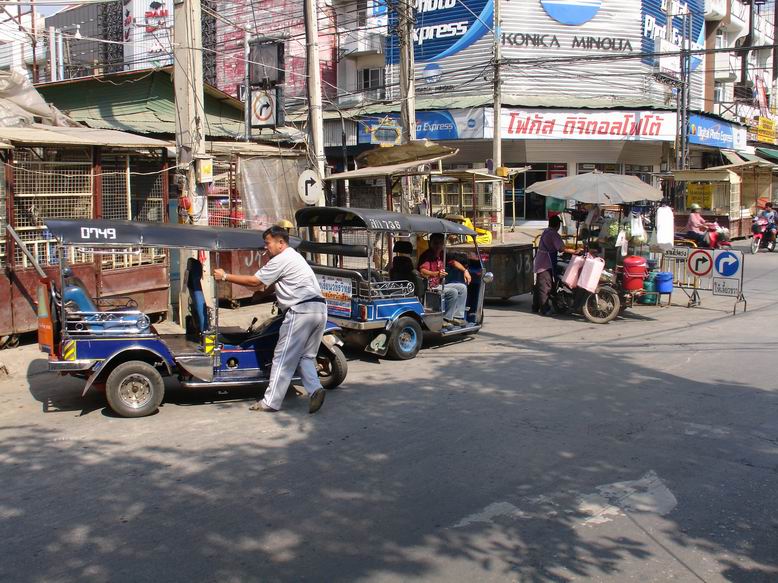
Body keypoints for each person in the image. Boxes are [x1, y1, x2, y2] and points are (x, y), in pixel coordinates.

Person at [213, 225, 327, 414]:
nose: (266, 248)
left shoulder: (281, 259)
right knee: (306, 356)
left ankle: (270, 402)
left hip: (301, 312)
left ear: (281, 243)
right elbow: (276, 284)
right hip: (319, 309)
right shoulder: (294, 257)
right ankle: (315, 390)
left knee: (282, 358)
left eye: (268, 243)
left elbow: (255, 281)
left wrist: (225, 276)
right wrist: (262, 294)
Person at [418, 233, 471, 327]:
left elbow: (454, 262)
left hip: (439, 284)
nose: (438, 246)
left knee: (462, 287)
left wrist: (465, 271)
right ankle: (445, 318)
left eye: (440, 243)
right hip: (430, 286)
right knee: (453, 292)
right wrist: (436, 274)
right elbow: (423, 271)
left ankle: (457, 316)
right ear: (430, 243)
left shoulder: (442, 254)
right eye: (435, 243)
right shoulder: (427, 255)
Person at [532, 215, 565, 315]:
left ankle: (535, 306)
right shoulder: (553, 234)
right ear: (558, 225)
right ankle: (545, 309)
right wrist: (575, 251)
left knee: (539, 285)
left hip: (541, 261)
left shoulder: (547, 231)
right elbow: (561, 248)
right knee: (545, 286)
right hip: (545, 263)